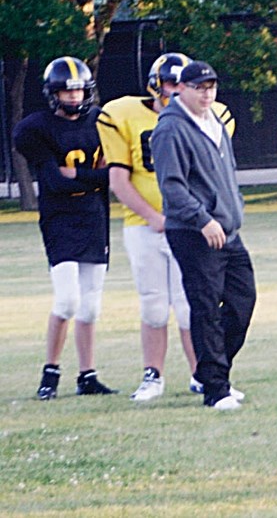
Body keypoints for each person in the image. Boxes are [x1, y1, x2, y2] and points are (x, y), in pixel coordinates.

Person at [97, 52, 238, 402]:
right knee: (154, 304)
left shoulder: (208, 118)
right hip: (147, 225)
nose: (175, 89)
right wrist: (152, 215)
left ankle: (201, 374)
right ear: (157, 84)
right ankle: (153, 375)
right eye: (171, 83)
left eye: (181, 82)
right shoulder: (126, 115)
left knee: (193, 304)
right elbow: (119, 179)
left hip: (193, 227)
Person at [151, 61, 256, 411]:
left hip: (228, 230)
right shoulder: (170, 129)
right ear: (181, 88)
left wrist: (232, 209)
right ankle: (215, 388)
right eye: (199, 87)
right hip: (194, 233)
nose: (207, 93)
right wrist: (203, 219)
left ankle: (209, 371)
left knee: (243, 302)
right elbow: (172, 187)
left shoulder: (215, 121)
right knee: (206, 307)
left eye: (211, 86)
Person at [13, 56, 117, 400]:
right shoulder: (35, 128)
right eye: (66, 91)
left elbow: (113, 176)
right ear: (53, 93)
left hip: (94, 217)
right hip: (60, 219)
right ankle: (51, 372)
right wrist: (95, 178)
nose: (73, 97)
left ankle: (87, 375)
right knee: (68, 300)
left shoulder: (102, 121)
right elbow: (55, 181)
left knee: (91, 307)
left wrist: (84, 177)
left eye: (77, 91)